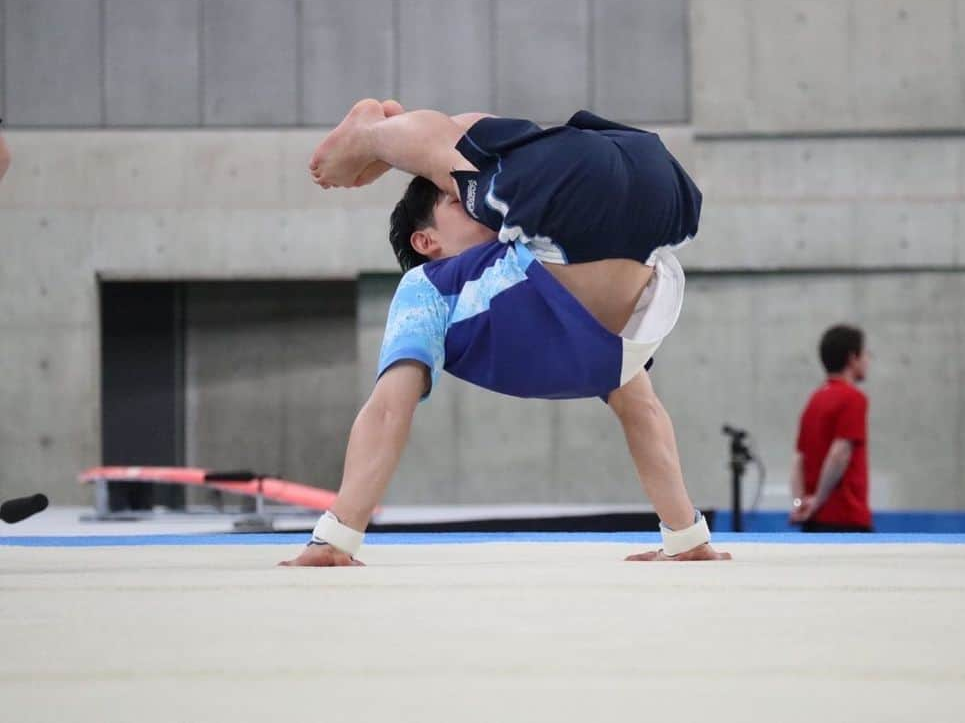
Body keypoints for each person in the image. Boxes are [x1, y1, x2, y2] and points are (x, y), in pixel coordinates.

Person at [280, 98, 731, 566]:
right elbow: (388, 410)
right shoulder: (428, 285)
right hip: (653, 194)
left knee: (471, 151)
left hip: (611, 193)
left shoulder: (516, 235)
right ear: (425, 241)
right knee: (467, 150)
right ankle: (385, 138)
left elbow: (647, 415)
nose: (480, 219)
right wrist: (686, 539)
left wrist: (336, 538)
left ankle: (373, 135)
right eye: (455, 205)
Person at [789, 324, 873, 532]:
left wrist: (800, 504)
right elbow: (840, 453)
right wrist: (818, 500)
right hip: (845, 517)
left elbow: (798, 459)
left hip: (814, 520)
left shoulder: (815, 400)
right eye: (865, 354)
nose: (868, 360)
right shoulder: (853, 399)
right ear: (853, 358)